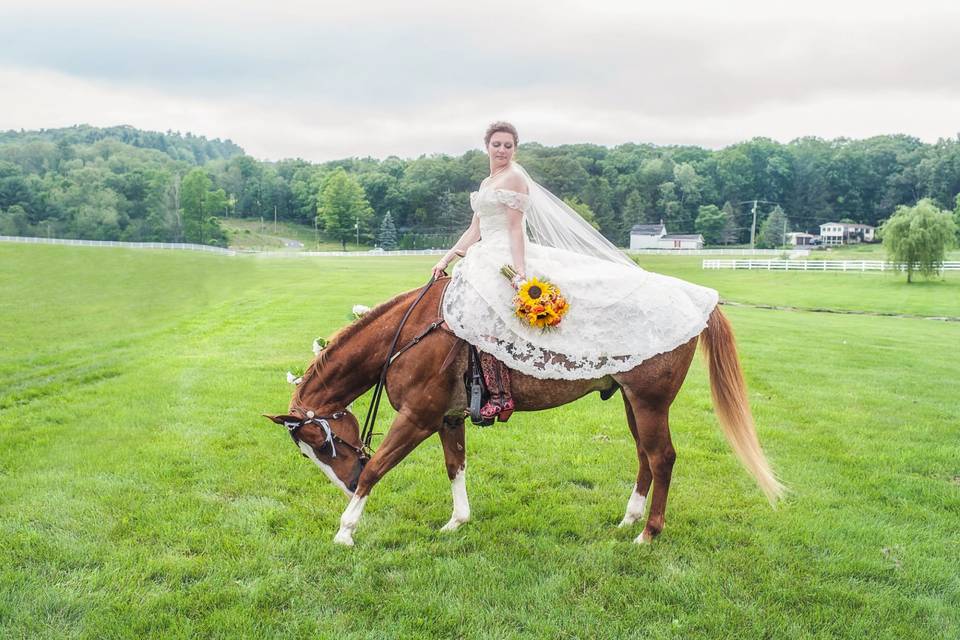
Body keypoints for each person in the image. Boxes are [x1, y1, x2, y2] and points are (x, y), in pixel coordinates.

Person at [433, 122, 719, 421]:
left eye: (508, 145)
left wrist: (519, 274)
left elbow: (516, 230)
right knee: (469, 318)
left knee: (490, 316)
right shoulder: (487, 182)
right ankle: (470, 386)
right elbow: (474, 229)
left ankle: (500, 394)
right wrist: (446, 259)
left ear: (515, 149)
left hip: (507, 254)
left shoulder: (515, 178)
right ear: (487, 147)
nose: (502, 150)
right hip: (484, 253)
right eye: (497, 144)